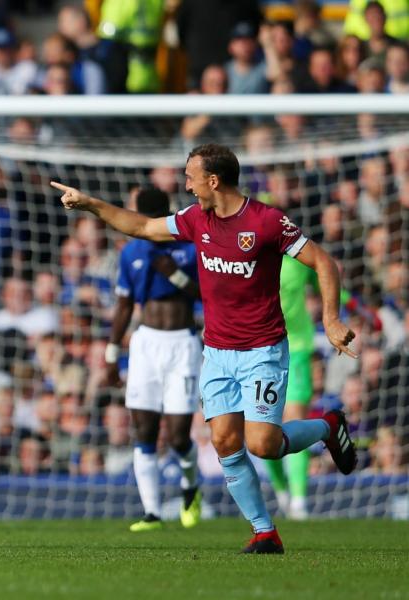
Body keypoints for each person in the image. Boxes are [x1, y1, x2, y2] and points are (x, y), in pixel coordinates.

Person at [52, 143, 357, 554]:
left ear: (214, 180)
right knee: (225, 442)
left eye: (191, 176)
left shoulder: (266, 222)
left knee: (263, 445)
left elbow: (324, 262)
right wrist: (90, 204)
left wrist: (331, 320)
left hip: (262, 350)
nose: (186, 183)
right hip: (216, 351)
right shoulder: (197, 219)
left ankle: (327, 427)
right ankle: (264, 532)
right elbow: (142, 227)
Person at [106, 188, 204, 532]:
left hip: (183, 343)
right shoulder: (132, 250)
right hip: (146, 344)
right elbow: (123, 306)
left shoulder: (188, 247)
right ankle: (151, 512)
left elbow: (204, 294)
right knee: (144, 429)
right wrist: (111, 352)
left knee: (178, 436)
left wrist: (174, 275)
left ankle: (190, 486)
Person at [264, 255, 319, 520]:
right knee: (264, 426)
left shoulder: (300, 257)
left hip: (295, 348)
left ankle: (299, 501)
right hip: (261, 351)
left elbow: (327, 281)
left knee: (296, 417)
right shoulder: (253, 256)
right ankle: (282, 490)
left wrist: (352, 305)